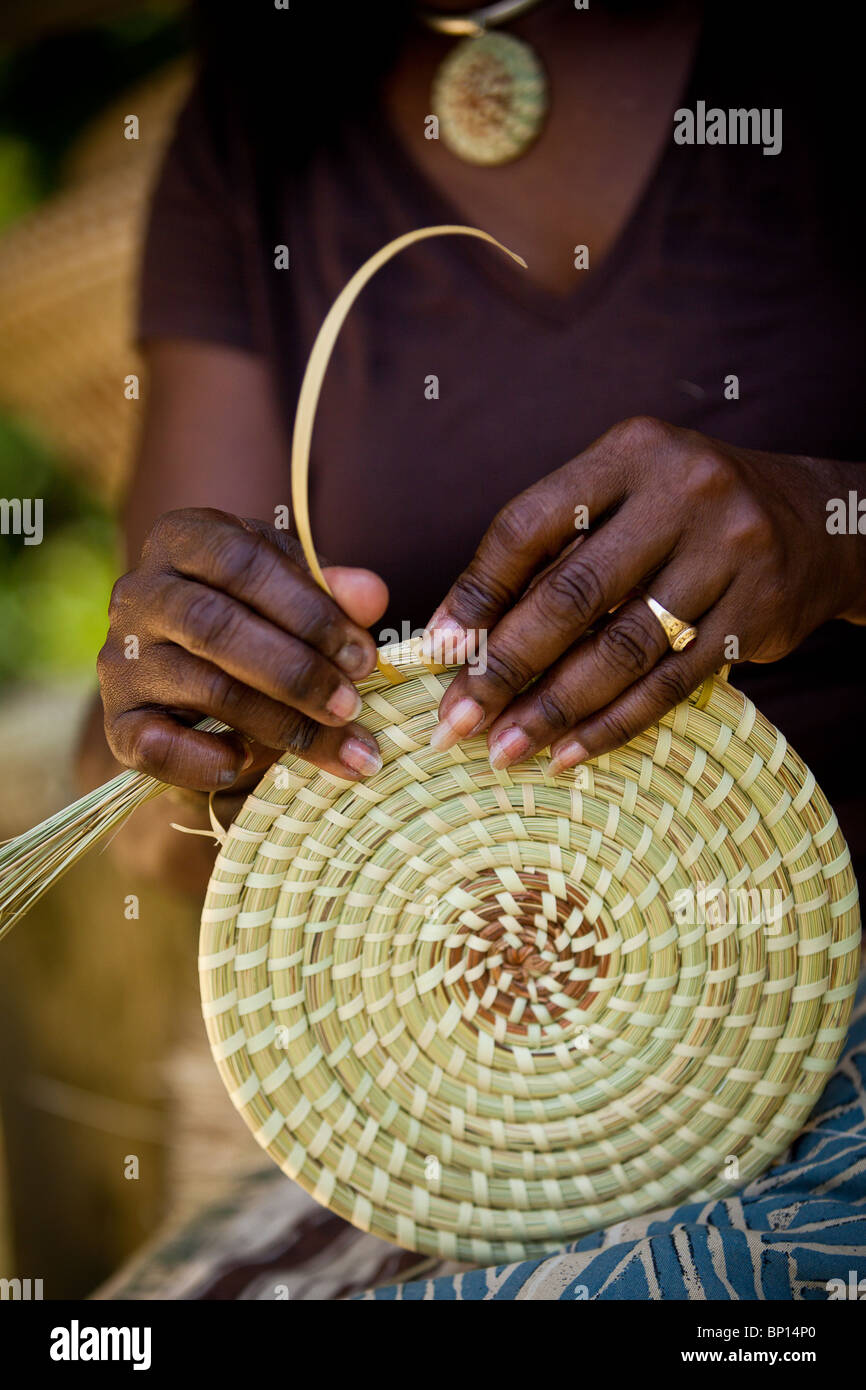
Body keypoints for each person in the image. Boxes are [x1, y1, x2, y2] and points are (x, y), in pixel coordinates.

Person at [80, 0, 866, 901]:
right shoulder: (255, 132)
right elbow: (144, 832)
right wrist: (202, 725)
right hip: (458, 1004)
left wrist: (832, 536)